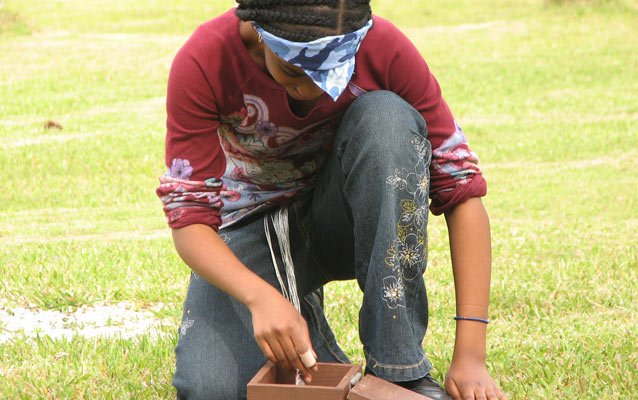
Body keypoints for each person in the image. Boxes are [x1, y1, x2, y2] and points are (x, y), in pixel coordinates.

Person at [156, 1, 507, 399]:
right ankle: (315, 338)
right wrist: (261, 298)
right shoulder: (206, 60)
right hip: (253, 228)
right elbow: (189, 219)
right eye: (293, 70)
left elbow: (461, 189)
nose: (312, 87)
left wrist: (471, 356)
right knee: (210, 389)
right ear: (257, 29)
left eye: (333, 71)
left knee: (387, 119)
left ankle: (399, 373)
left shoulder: (383, 47)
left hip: (344, 218)